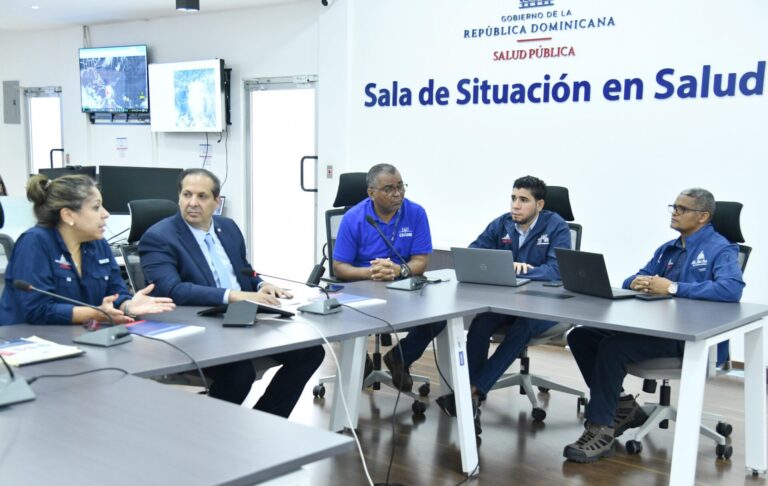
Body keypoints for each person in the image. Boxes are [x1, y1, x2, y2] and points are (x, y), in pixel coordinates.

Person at [563, 188, 745, 463]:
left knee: (613, 347)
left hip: (690, 338)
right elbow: (638, 276)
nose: (675, 212)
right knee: (581, 336)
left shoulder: (721, 249)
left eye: (682, 209)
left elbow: (731, 289)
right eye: (674, 206)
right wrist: (635, 281)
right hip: (656, 327)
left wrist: (672, 287)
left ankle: (600, 428)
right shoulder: (669, 249)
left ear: (703, 217)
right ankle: (624, 406)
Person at [139, 168, 324, 418]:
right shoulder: (159, 237)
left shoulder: (228, 228)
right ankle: (215, 433)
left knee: (310, 352)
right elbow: (171, 290)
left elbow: (243, 271)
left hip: (242, 317)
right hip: (200, 327)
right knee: (240, 373)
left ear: (217, 202)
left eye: (202, 196)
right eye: (187, 195)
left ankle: (267, 419)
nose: (192, 203)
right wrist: (235, 296)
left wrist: (260, 286)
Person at [434, 176, 572, 421]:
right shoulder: (502, 224)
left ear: (539, 205)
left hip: (545, 305)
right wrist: (499, 265)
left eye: (523, 200)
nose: (515, 206)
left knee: (522, 328)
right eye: (513, 198)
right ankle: (471, 393)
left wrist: (524, 270)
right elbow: (474, 252)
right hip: (509, 301)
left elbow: (559, 270)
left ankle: (472, 391)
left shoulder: (556, 226)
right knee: (480, 324)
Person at [0, 174, 175, 326]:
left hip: (81, 337)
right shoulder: (35, 242)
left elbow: (116, 293)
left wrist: (128, 306)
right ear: (68, 215)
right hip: (28, 343)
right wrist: (95, 313)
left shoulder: (98, 243)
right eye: (96, 207)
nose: (105, 213)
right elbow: (36, 309)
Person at [332, 163, 444, 392]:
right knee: (339, 312)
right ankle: (359, 361)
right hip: (361, 286)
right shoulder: (353, 218)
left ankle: (400, 357)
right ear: (371, 193)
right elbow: (340, 267)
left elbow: (420, 261)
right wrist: (371, 272)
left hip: (402, 286)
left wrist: (398, 271)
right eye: (389, 189)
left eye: (401, 186)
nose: (398, 193)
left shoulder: (416, 213)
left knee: (439, 317)